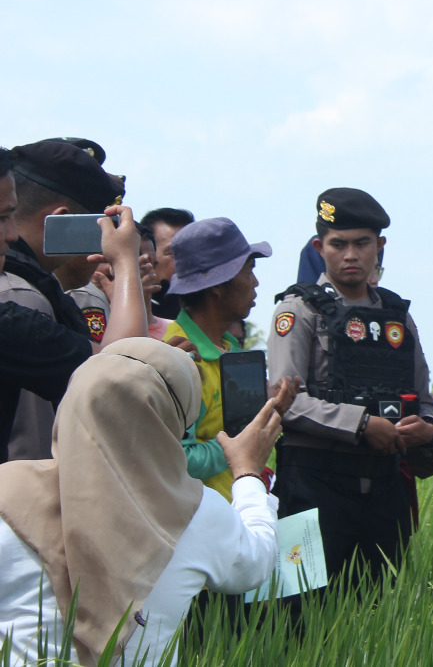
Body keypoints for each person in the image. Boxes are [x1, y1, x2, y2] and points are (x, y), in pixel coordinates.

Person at [0, 338, 285, 666]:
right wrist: (247, 473)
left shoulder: (7, 491)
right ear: (174, 422)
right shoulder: (197, 513)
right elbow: (254, 564)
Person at [267, 188, 433, 587]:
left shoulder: (397, 316)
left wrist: (428, 428)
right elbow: (285, 402)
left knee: (376, 611)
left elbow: (424, 397)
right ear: (319, 247)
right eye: (337, 244)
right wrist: (361, 424)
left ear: (379, 246)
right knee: (299, 607)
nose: (350, 255)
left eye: (362, 244)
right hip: (313, 481)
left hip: (383, 483)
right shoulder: (298, 310)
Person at [2, 139, 147, 461]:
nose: (11, 234)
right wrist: (125, 264)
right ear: (63, 220)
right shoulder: (22, 297)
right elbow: (118, 378)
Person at [164, 217, 296, 499]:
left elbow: (237, 429)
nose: (256, 282)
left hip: (233, 518)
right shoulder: (179, 357)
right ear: (217, 286)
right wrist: (244, 442)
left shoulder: (230, 351)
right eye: (249, 270)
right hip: (200, 526)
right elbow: (179, 459)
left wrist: (270, 409)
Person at [140, 207, 195, 321]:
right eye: (174, 253)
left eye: (191, 253)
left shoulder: (211, 315)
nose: (187, 262)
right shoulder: (124, 309)